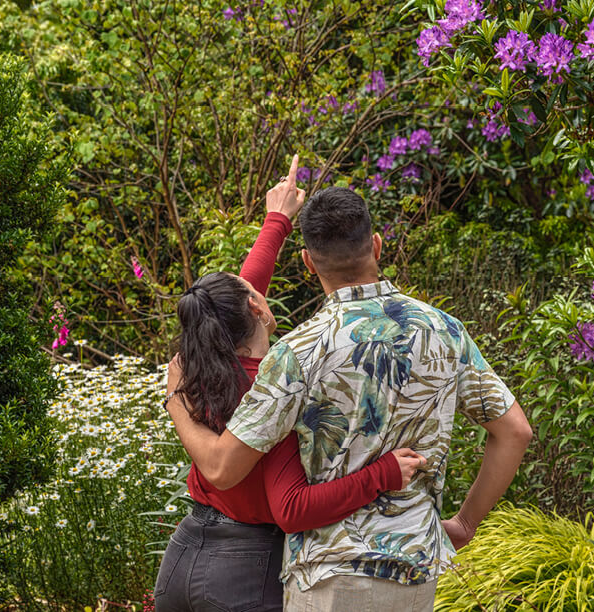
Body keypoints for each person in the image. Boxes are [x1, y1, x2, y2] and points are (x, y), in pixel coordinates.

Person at [168, 186, 533, 611]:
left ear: (307, 262)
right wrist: (465, 524)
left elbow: (223, 466)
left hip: (328, 577)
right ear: (376, 244)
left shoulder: (296, 353)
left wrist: (175, 398)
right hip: (413, 572)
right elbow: (515, 431)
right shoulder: (445, 331)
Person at [156, 159, 427, 612]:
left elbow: (235, 298)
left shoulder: (199, 363)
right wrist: (384, 474)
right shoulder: (276, 386)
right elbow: (293, 508)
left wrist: (277, 220)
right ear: (258, 311)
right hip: (244, 571)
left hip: (182, 558)